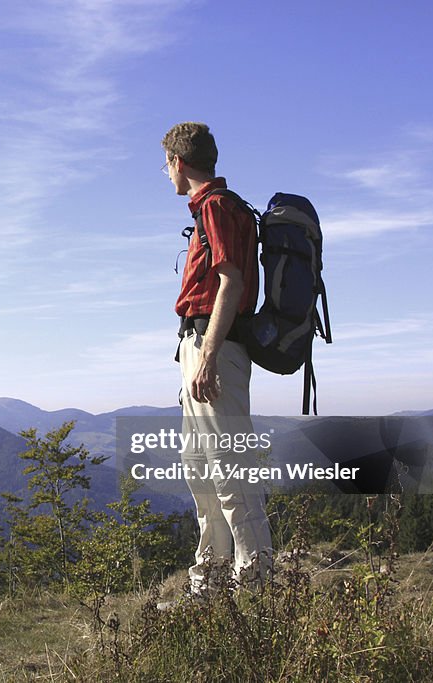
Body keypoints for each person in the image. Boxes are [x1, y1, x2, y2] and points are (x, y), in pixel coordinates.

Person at [162, 122, 273, 597]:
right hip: (203, 347)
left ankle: (257, 581)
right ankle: (209, 578)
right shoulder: (220, 208)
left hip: (214, 347)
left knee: (229, 470)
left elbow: (231, 282)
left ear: (177, 163)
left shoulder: (217, 207)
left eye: (166, 165)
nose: (166, 174)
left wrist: (206, 356)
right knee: (199, 466)